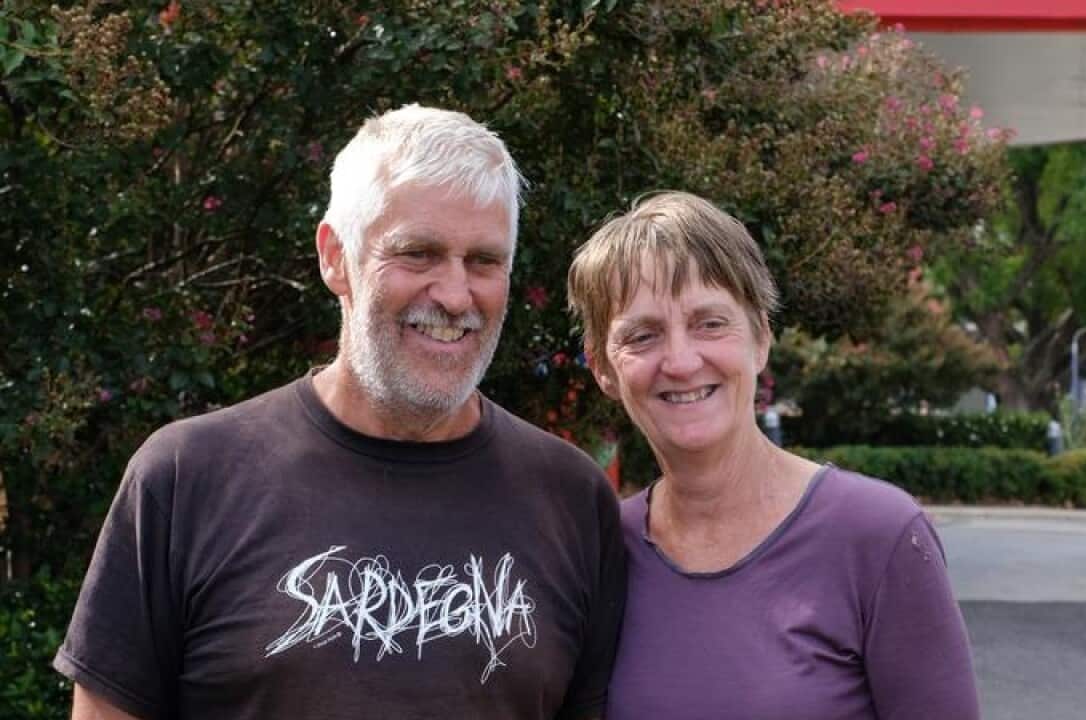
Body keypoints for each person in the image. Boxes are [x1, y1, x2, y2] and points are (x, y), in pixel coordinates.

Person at [55, 105, 626, 720]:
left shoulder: (570, 500)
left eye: (484, 261)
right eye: (418, 253)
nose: (455, 295)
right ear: (335, 256)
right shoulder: (186, 478)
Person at [566, 192, 979, 719]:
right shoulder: (604, 553)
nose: (681, 361)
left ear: (761, 338)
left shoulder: (880, 537)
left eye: (710, 323)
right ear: (603, 368)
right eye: (643, 336)